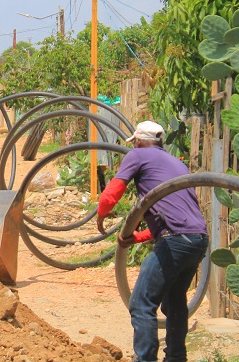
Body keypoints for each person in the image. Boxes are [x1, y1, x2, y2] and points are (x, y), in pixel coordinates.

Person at [96, 121, 208, 362]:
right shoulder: (177, 163)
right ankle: (176, 358)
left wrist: (101, 215)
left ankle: (145, 359)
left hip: (176, 240)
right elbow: (179, 222)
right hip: (198, 240)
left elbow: (112, 193)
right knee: (174, 301)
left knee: (141, 303)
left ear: (137, 141)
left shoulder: (138, 154)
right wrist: (136, 237)